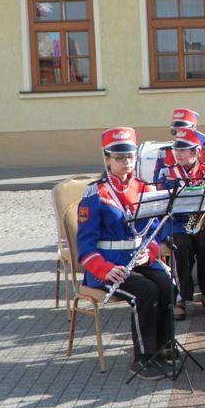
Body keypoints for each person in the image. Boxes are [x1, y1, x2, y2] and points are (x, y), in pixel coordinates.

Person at [76, 127, 173, 380]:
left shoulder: (144, 188)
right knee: (146, 291)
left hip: (137, 262)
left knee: (165, 284)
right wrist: (106, 269)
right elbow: (84, 247)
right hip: (108, 269)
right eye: (119, 157)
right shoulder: (95, 194)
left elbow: (155, 232)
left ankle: (164, 349)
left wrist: (149, 253)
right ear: (107, 159)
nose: (126, 162)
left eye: (129, 157)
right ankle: (143, 358)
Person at [155, 127, 205, 320]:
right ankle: (180, 296)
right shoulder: (167, 173)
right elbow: (160, 201)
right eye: (176, 150)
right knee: (181, 247)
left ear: (196, 151)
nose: (178, 154)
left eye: (183, 150)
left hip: (201, 222)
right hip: (176, 223)